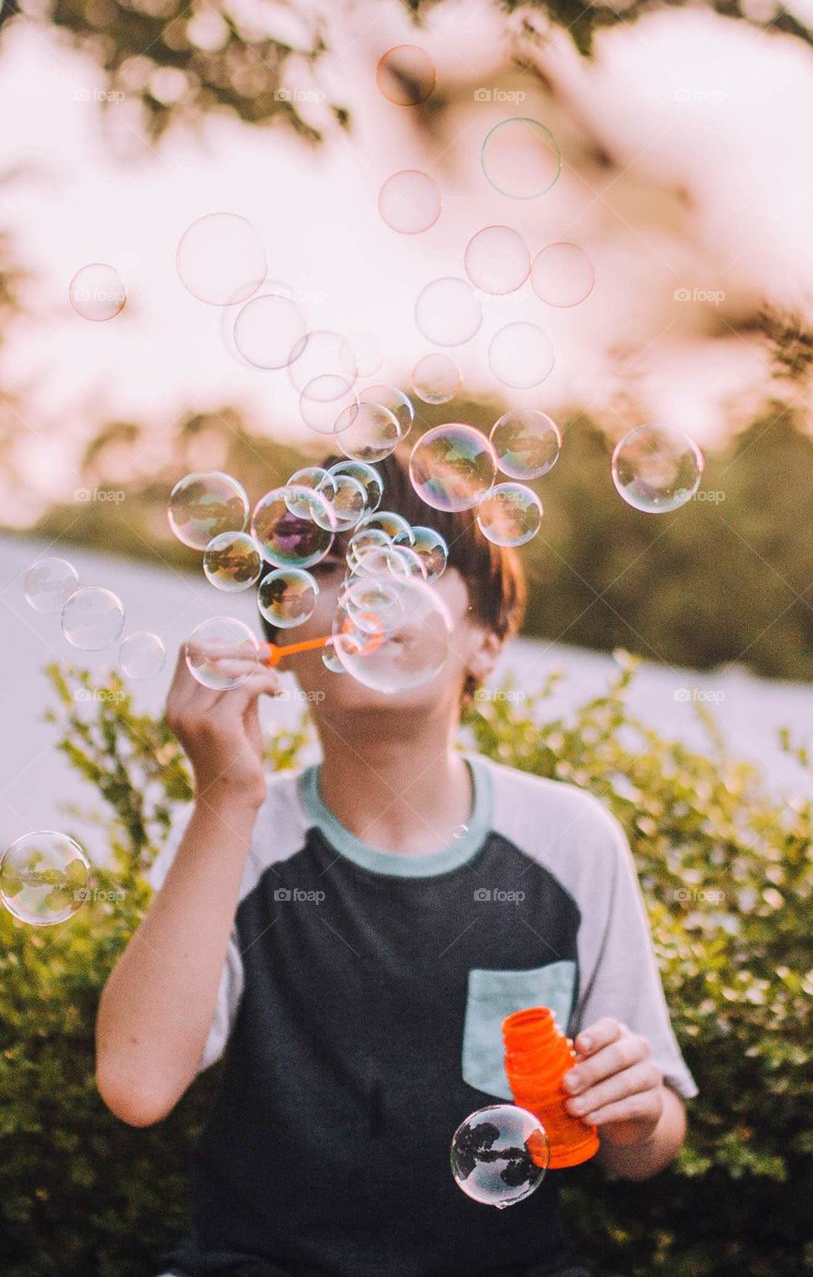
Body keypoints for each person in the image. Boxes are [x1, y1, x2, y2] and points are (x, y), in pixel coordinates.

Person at [95, 452, 698, 1277]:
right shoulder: (239, 831)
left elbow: (644, 1150)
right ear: (282, 644)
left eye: (410, 562)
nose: (364, 589)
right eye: (327, 568)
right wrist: (224, 798)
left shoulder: (569, 839)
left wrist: (636, 1114)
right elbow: (135, 1086)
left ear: (486, 643)